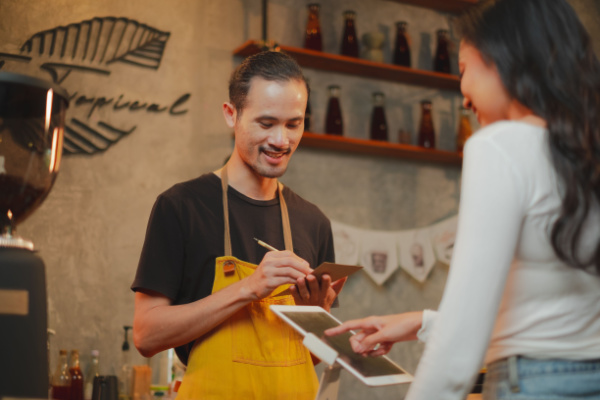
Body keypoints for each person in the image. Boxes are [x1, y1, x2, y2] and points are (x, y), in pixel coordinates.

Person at [326, 0, 600, 399]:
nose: (464, 97)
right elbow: (553, 310)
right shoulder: (586, 154)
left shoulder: (501, 146)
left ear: (501, 60)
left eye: (463, 70)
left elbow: (463, 339)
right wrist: (421, 322)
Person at [131, 50, 346, 399]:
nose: (282, 140)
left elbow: (310, 356)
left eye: (294, 124)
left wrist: (318, 313)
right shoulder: (181, 207)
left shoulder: (314, 222)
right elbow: (146, 336)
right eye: (266, 123)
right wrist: (250, 288)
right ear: (231, 115)